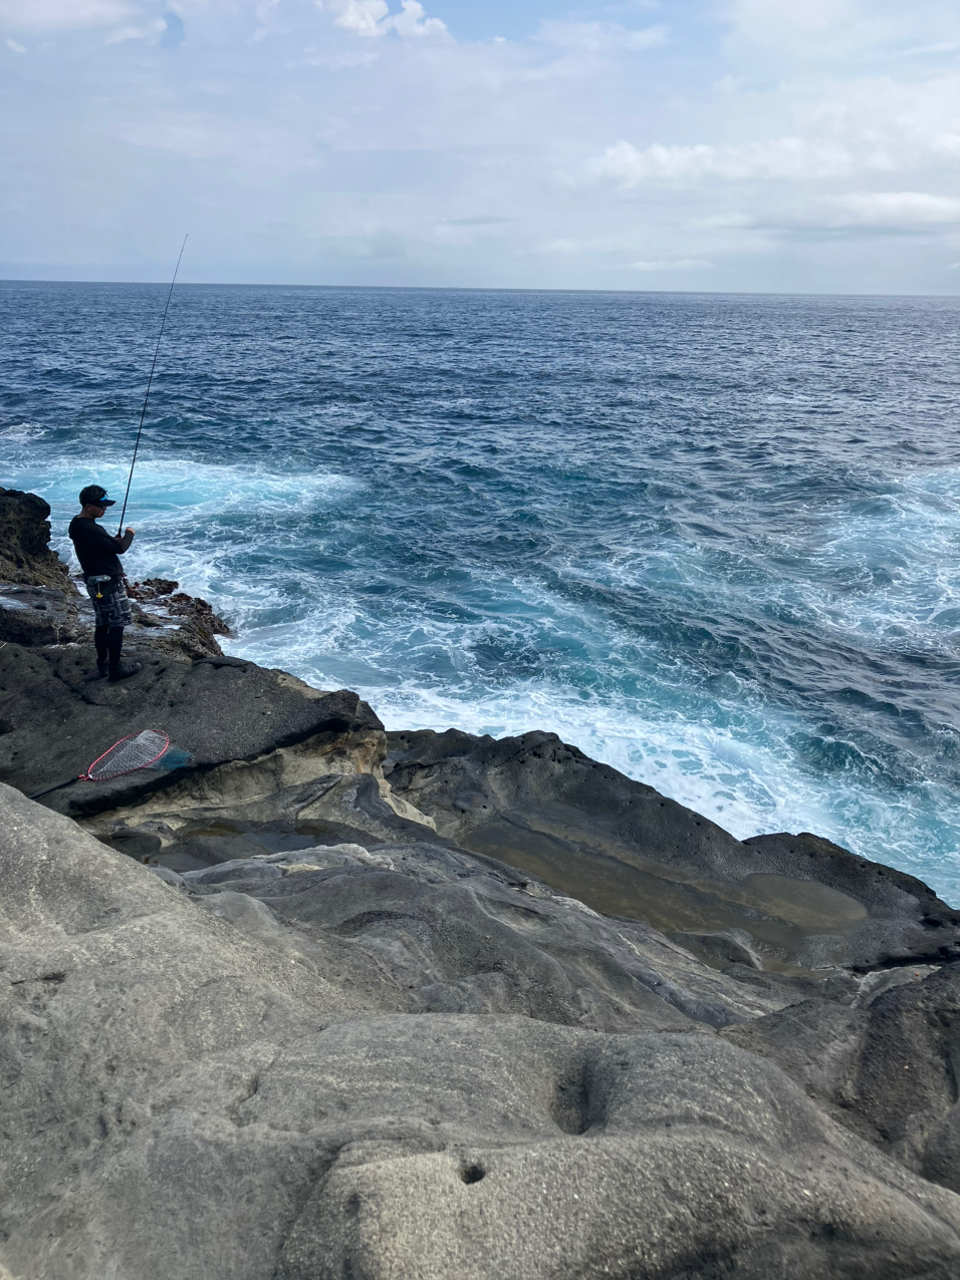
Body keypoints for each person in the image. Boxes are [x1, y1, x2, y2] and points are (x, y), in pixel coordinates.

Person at [68, 484, 141, 682]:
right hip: (109, 583)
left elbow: (101, 545)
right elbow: (121, 548)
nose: (104, 510)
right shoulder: (91, 528)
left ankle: (103, 664)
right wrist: (129, 534)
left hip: (94, 582)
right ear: (89, 505)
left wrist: (109, 541)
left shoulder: (77, 524)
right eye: (101, 507)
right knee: (117, 625)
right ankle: (116, 669)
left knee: (102, 624)